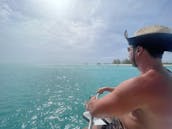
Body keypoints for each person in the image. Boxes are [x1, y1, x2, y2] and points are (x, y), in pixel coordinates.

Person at [84, 25, 172, 129]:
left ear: (138, 50)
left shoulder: (142, 84)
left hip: (121, 125)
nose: (128, 53)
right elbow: (139, 96)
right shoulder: (166, 75)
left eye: (129, 49)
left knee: (94, 126)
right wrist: (109, 89)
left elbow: (95, 111)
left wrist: (92, 102)